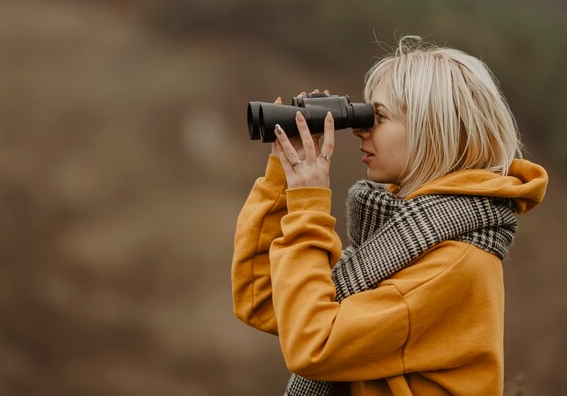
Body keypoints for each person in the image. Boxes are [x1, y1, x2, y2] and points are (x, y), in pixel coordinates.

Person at [231, 36, 548, 396]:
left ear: (434, 130)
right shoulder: (399, 241)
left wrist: (308, 203)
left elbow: (314, 345)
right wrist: (283, 175)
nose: (361, 129)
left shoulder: (455, 261)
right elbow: (261, 297)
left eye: (378, 116)